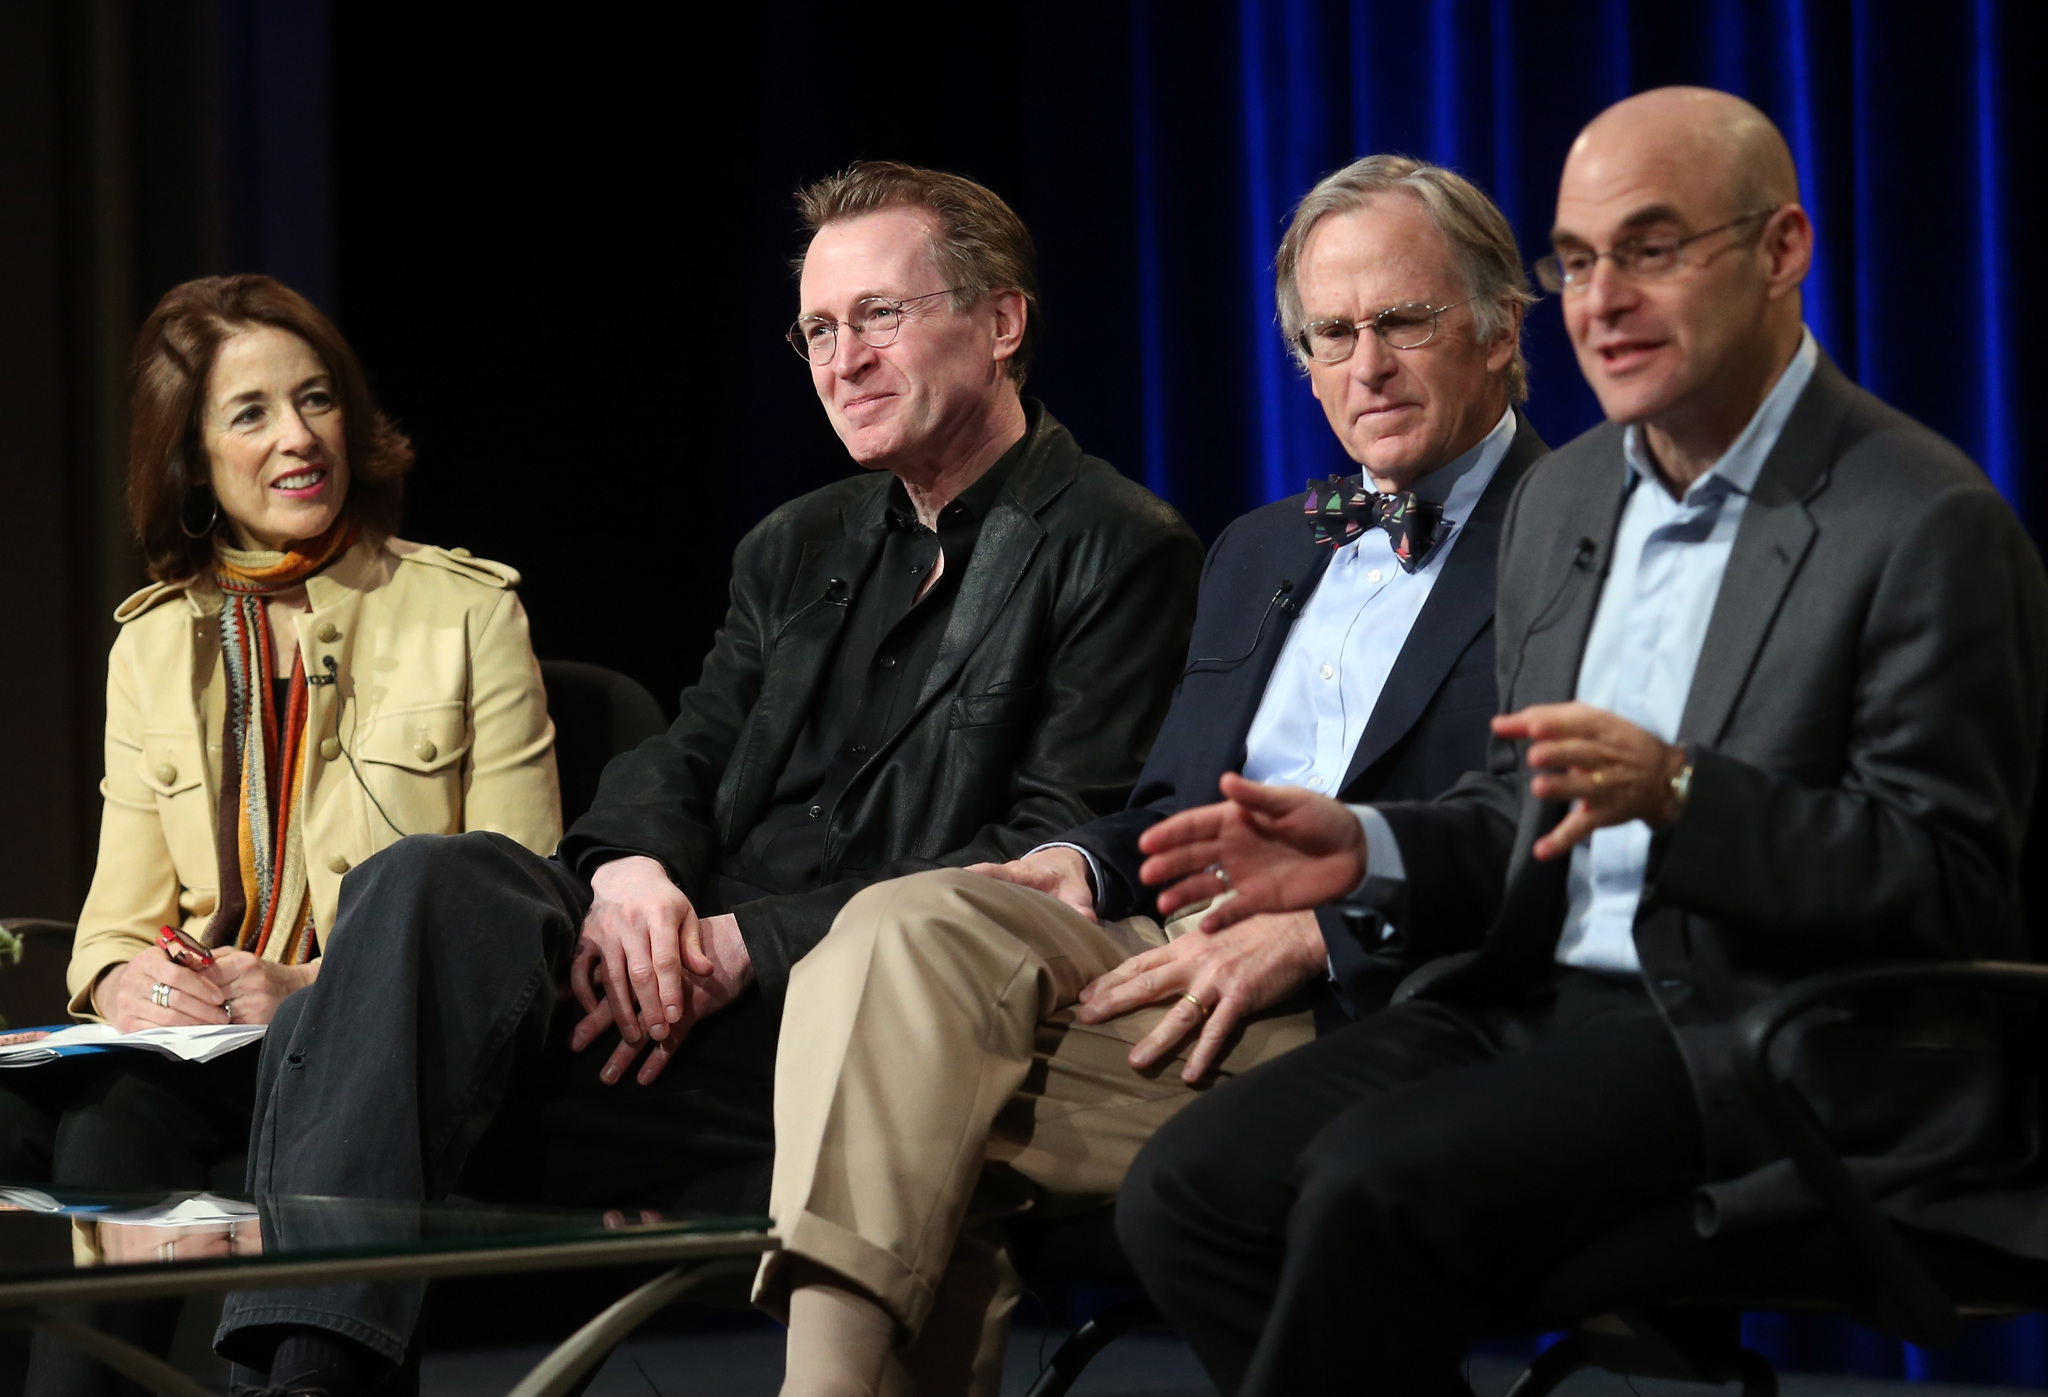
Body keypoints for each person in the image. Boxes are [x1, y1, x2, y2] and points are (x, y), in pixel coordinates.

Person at [208, 162, 1204, 1396]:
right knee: (424, 885)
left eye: (879, 316)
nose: (842, 359)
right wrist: (631, 880)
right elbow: (680, 751)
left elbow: (1035, 862)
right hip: (670, 979)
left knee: (335, 1038)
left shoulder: (1117, 548)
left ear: (1000, 322)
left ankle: (299, 1383)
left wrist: (746, 946)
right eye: (819, 330)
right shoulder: (798, 544)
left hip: (860, 1022)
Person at [1118, 87, 2048, 1396]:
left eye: (1653, 249)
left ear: (1783, 251)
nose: (1602, 296)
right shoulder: (1569, 498)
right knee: (1187, 1191)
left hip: (1751, 1023)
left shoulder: (1920, 520)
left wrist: (1678, 793)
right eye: (1581, 258)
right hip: (1527, 992)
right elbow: (1519, 813)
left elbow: (1949, 888)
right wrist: (1364, 844)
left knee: (1371, 1189)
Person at [761, 157, 1547, 1396]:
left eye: (1400, 321)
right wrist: (1081, 857)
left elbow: (1549, 824)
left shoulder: (1577, 529)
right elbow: (1173, 799)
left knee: (917, 1108)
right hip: (1166, 944)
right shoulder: (1262, 547)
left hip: (1387, 994)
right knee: (905, 920)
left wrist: (1322, 926)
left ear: (1500, 327)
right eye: (1331, 334)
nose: (1366, 367)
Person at [22, 273, 561, 1397]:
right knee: (111, 1107)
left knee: (129, 1136)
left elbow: (522, 902)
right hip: (203, 1056)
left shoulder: (466, 612)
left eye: (315, 400)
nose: (298, 438)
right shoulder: (154, 645)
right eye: (251, 413)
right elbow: (114, 923)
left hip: (383, 1055)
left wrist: (313, 988)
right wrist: (130, 983)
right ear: (192, 457)